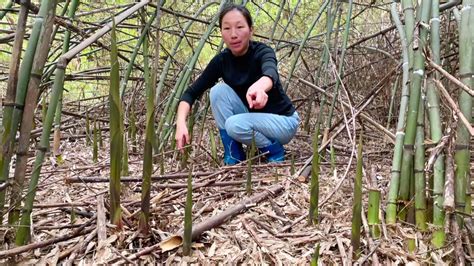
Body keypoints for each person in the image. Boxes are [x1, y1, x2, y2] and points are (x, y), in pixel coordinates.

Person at [175, 4, 299, 165]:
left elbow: (270, 73)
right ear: (221, 33)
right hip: (252, 119)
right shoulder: (222, 61)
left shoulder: (263, 52)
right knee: (218, 91)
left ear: (251, 30)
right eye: (227, 28)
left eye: (240, 27)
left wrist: (260, 87)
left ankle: (274, 150)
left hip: (283, 123)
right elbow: (190, 93)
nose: (233, 34)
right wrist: (180, 123)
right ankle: (234, 153)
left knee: (234, 124)